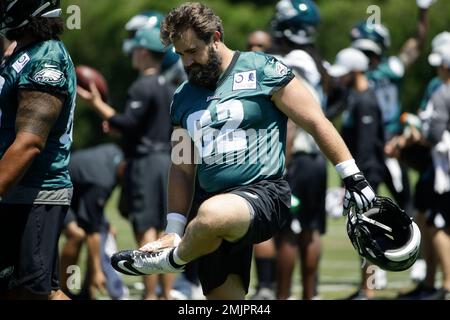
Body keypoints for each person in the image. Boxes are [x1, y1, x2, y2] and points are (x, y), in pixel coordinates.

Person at [111, 2, 377, 300]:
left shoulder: (263, 68)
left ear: (215, 37)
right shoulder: (183, 96)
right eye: (181, 55)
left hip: (263, 194)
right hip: (212, 209)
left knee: (212, 215)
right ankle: (179, 247)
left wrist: (352, 175)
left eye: (192, 51)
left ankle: (171, 261)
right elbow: (182, 165)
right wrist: (174, 228)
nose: (187, 63)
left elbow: (316, 121)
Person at [77, 22, 174, 300]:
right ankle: (165, 295)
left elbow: (127, 122)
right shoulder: (169, 87)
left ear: (143, 52)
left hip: (144, 163)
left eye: (135, 49)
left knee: (146, 231)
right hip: (167, 161)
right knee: (166, 233)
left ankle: (149, 296)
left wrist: (97, 105)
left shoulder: (142, 86)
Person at [0, 0, 76, 300]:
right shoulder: (22, 52)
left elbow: (30, 143)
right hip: (15, 190)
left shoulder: (46, 58)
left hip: (35, 191)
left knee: (34, 293)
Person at [269, 0, 328, 300]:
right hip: (317, 159)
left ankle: (281, 297)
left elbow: (292, 118)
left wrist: (282, 162)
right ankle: (309, 295)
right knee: (311, 230)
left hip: (298, 159)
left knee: (288, 232)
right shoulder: (317, 61)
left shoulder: (291, 60)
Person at [329, 48, 386, 299]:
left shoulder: (365, 101)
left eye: (345, 74)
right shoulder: (354, 97)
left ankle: (369, 290)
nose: (341, 79)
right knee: (361, 231)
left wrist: (352, 182)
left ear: (355, 72)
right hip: (362, 176)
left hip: (367, 176)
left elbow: (365, 147)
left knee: (368, 232)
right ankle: (364, 288)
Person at [59, 143, 126, 300]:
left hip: (78, 193)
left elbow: (95, 212)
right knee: (77, 235)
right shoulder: (102, 180)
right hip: (58, 189)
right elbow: (93, 231)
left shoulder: (116, 152)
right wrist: (97, 271)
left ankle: (87, 290)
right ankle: (65, 289)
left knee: (109, 231)